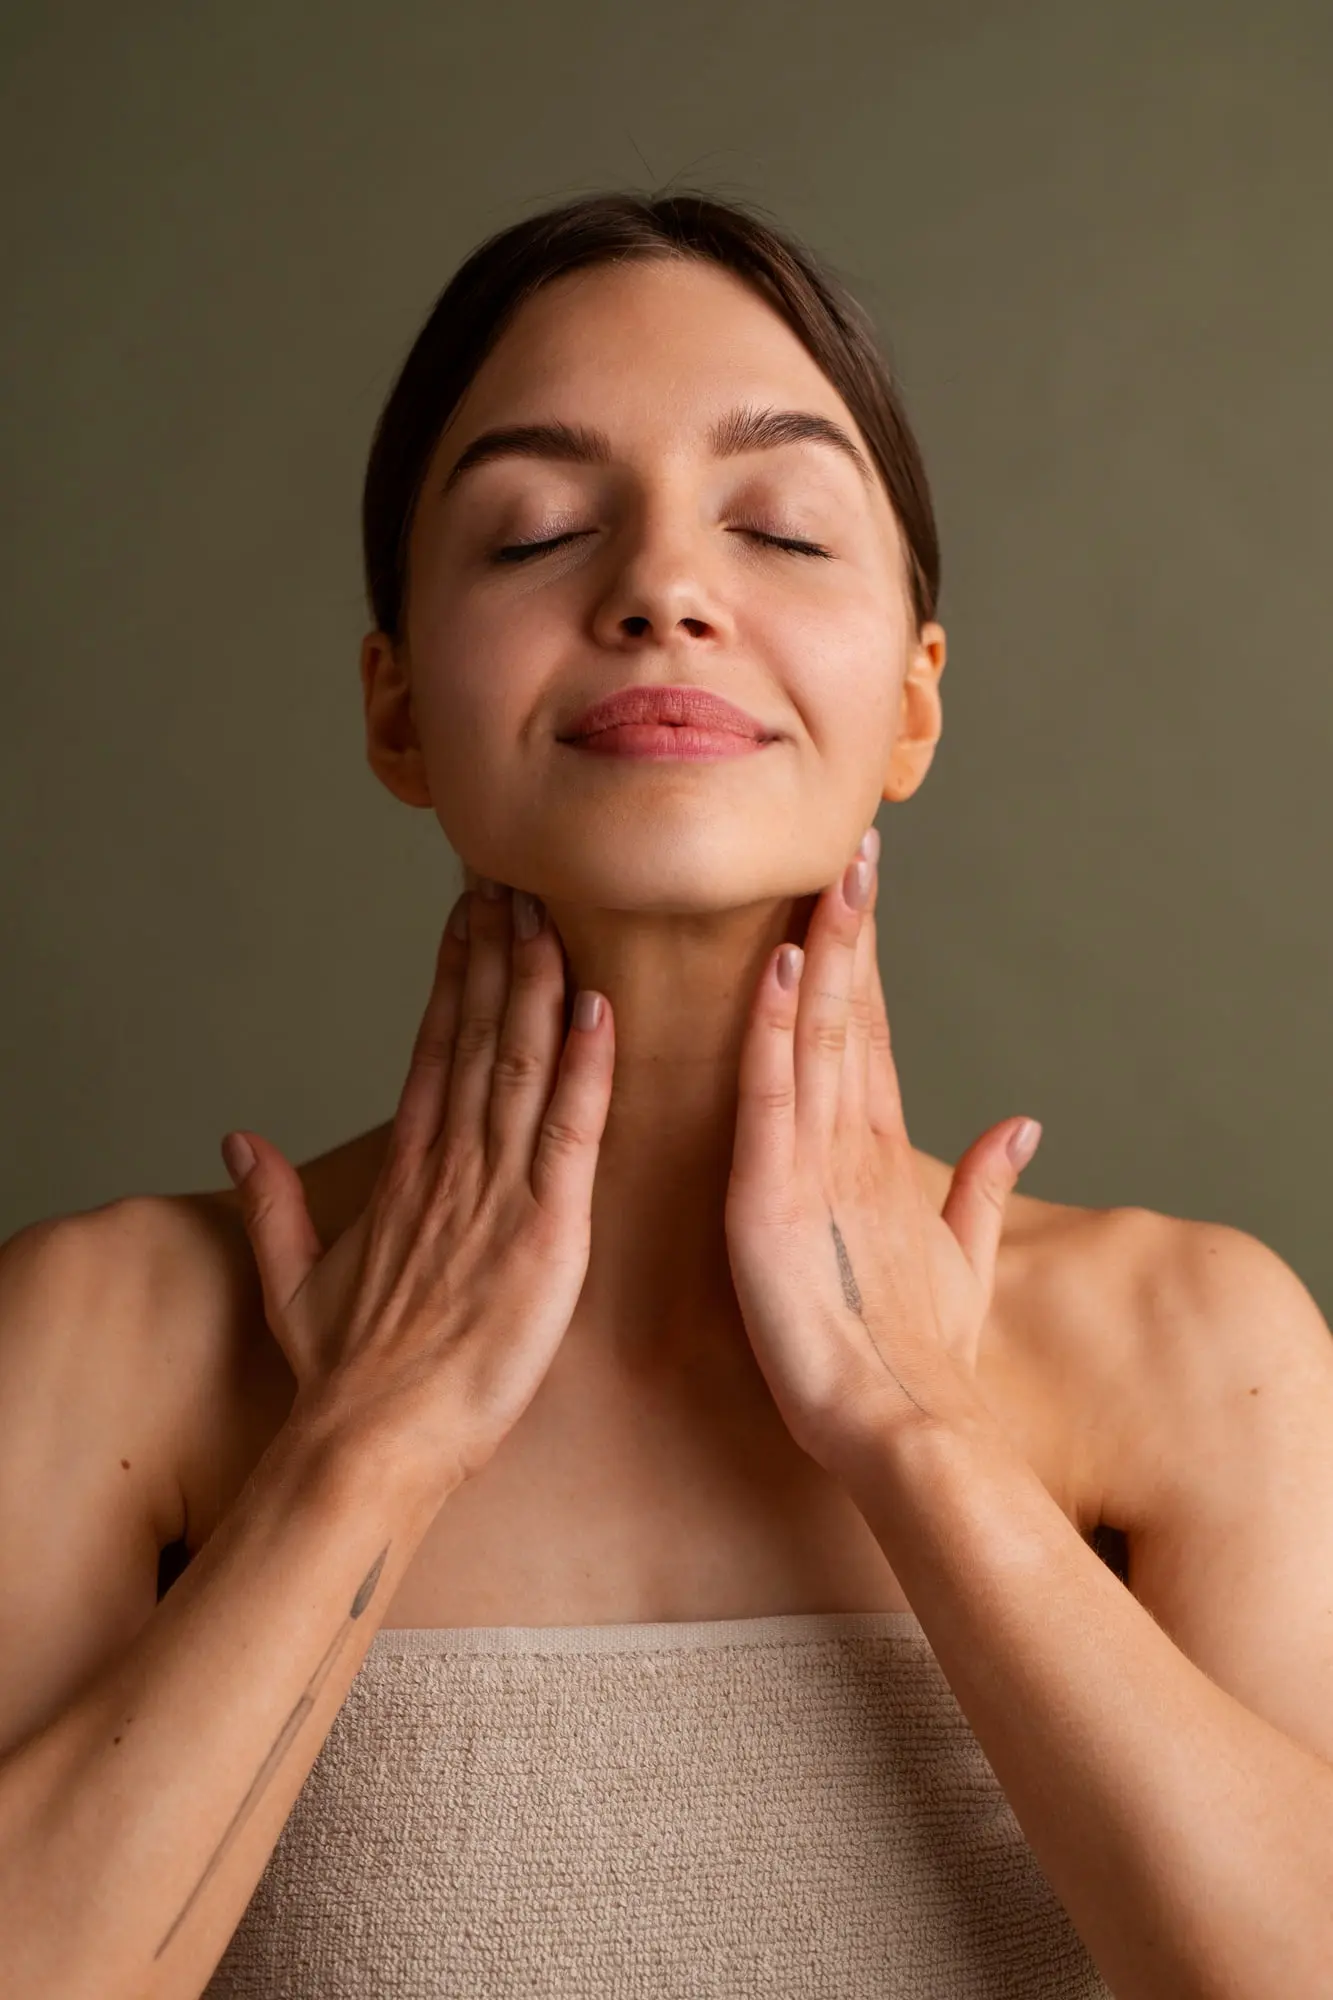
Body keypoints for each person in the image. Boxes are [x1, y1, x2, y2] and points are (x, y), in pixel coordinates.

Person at [5, 190, 1331, 2000]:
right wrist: (363, 1453)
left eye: (780, 528)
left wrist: (918, 1437)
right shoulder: (107, 1342)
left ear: (914, 705)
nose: (661, 591)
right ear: (396, 709)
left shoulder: (1192, 1347)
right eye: (538, 531)